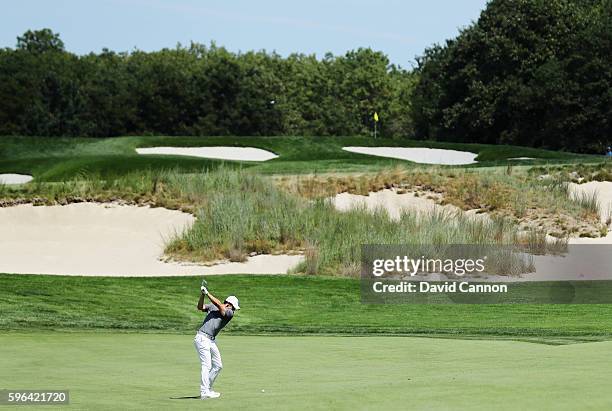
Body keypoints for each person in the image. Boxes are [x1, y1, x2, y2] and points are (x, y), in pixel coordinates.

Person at [194, 285, 240, 400]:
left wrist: (208, 293)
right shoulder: (213, 307)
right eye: (233, 307)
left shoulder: (229, 314)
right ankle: (204, 391)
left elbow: (219, 305)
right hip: (202, 338)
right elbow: (200, 307)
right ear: (229, 304)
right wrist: (202, 295)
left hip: (211, 340)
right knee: (207, 365)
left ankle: (207, 389)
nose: (234, 310)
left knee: (218, 365)